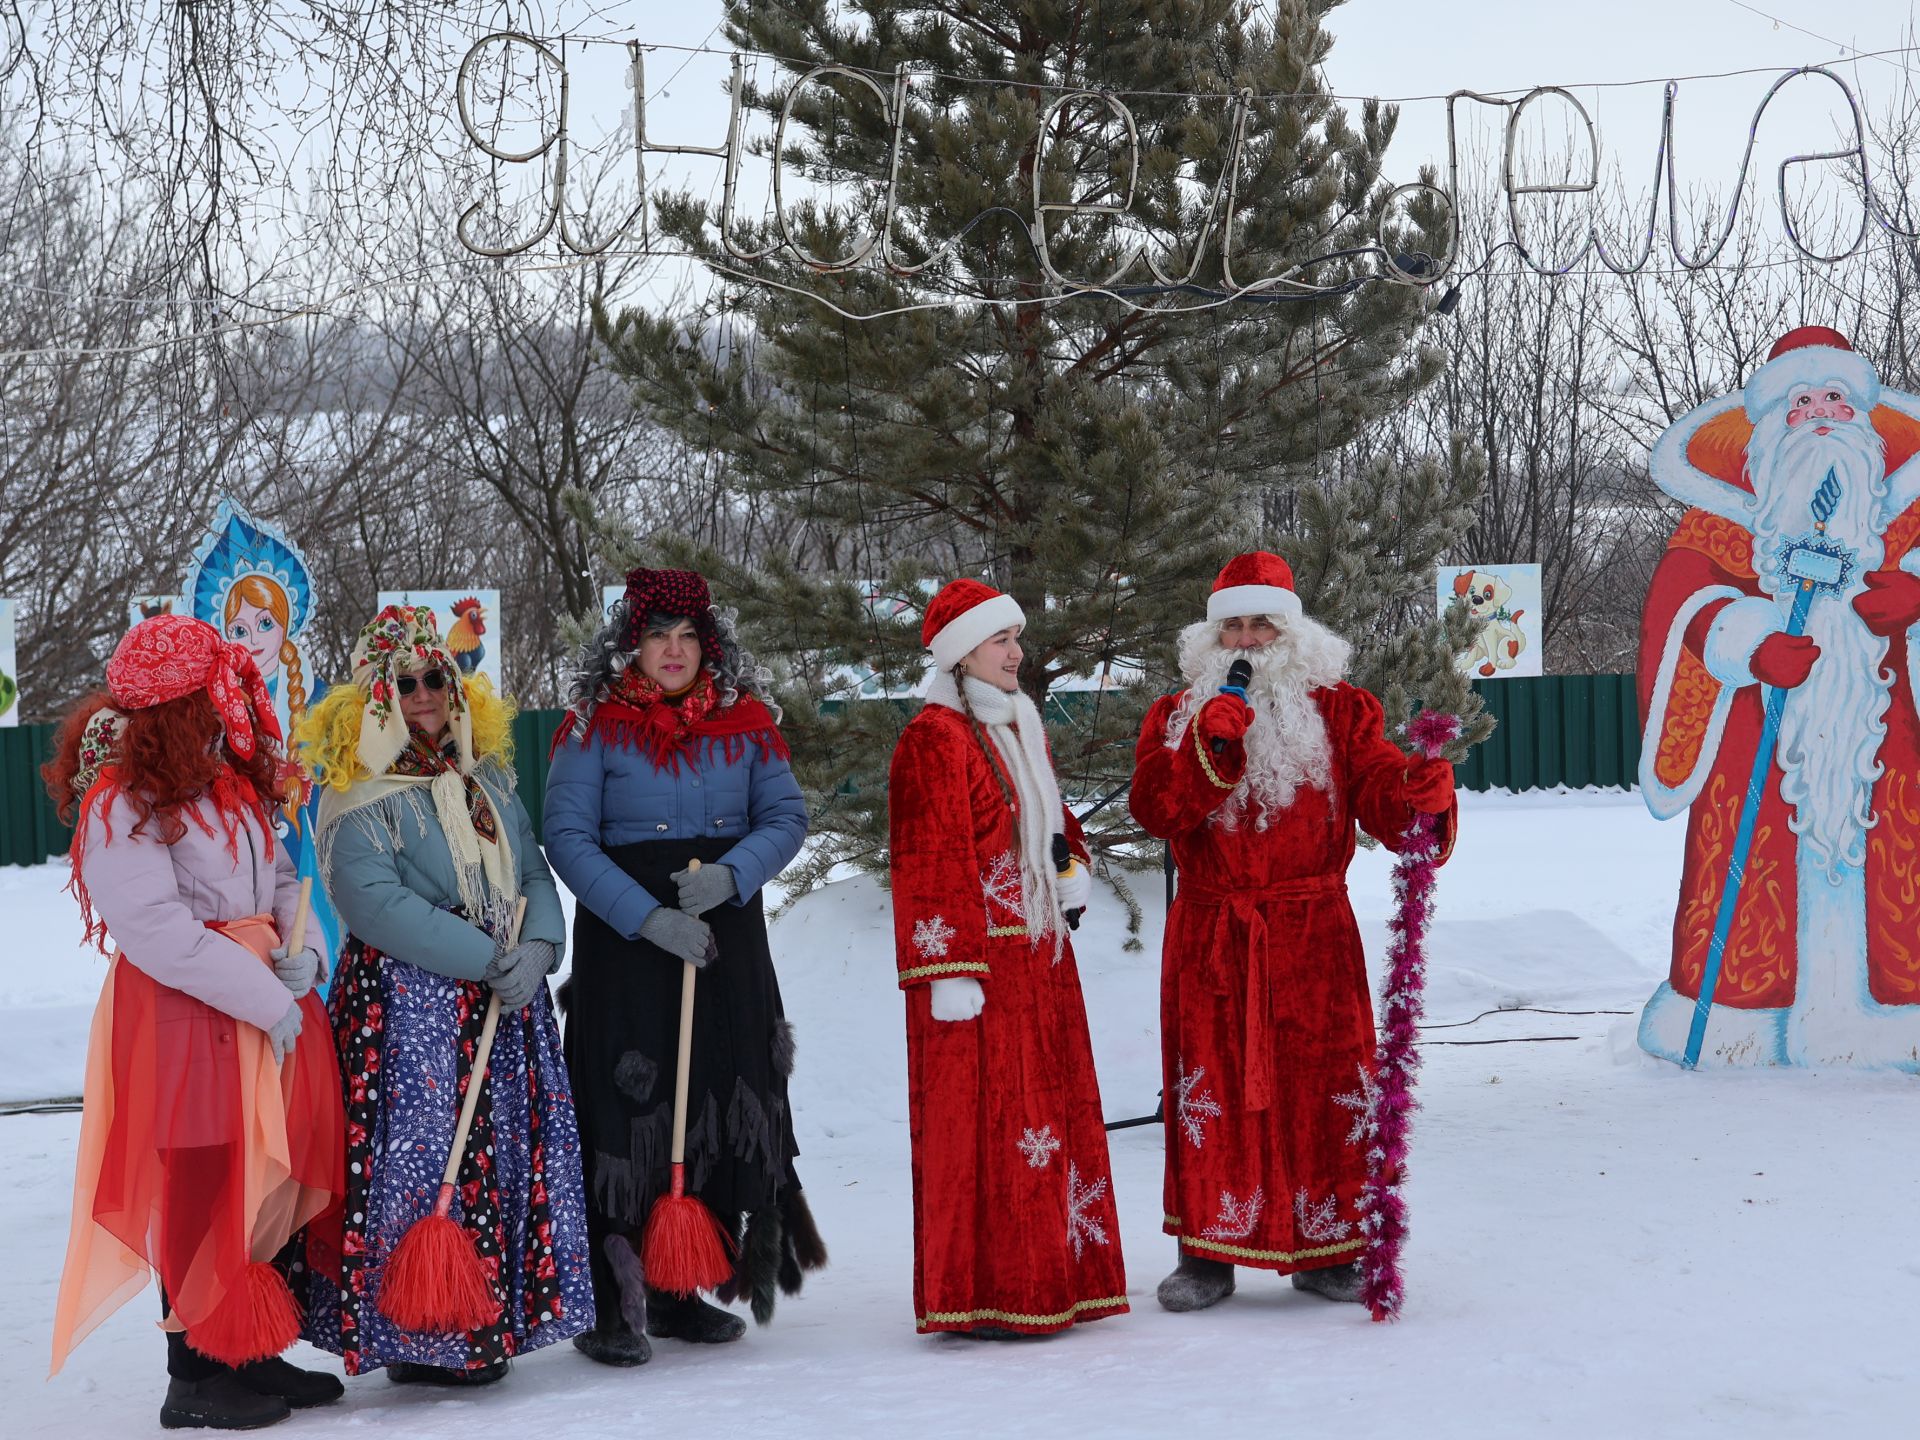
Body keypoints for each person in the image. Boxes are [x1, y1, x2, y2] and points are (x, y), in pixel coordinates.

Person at [1130, 552, 1455, 1313]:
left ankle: (1329, 1249)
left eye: (1261, 623)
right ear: (1210, 640)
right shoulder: (1175, 714)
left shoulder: (1345, 711)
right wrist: (1206, 747)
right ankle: (1208, 1255)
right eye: (1231, 626)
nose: (1246, 640)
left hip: (1314, 933)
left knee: (1325, 1086)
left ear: (1294, 631)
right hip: (1215, 934)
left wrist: (1417, 792)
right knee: (1214, 1089)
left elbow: (1380, 794)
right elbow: (1157, 810)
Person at [44, 615, 346, 1430]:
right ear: (175, 706)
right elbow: (159, 934)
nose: (231, 704)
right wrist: (268, 998)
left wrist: (304, 952)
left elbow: (285, 876)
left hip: (258, 1000)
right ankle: (196, 1372)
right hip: (187, 1015)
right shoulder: (122, 804)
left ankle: (250, 1345)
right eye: (214, 692)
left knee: (262, 1177)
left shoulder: (227, 781)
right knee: (203, 1177)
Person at [293, 604, 590, 1385]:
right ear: (373, 698)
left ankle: (484, 1323)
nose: (425, 693)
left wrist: (540, 948)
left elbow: (530, 869)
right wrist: (486, 956)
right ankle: (417, 1335)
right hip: (409, 1013)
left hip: (501, 998)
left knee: (497, 1159)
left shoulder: (486, 775)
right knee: (417, 1165)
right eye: (406, 682)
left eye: (437, 678)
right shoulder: (355, 791)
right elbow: (373, 902)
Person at [546, 568, 823, 1368]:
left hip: (725, 938)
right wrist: (647, 917)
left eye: (688, 637)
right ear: (630, 645)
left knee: (712, 1096)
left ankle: (678, 1286)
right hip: (629, 948)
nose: (674, 652)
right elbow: (567, 837)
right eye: (657, 637)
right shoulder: (590, 728)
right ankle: (611, 1300)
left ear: (710, 644)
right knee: (630, 1108)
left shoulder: (747, 724)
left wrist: (732, 876)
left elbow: (787, 815)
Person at [1636, 326, 1920, 1066]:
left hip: (1887, 754)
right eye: (1800, 403)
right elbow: (1680, 607)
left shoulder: (1907, 522)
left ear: (1865, 420)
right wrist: (1747, 638)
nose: (1821, 414)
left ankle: (1900, 1013)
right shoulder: (1720, 527)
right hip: (1755, 761)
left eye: (1836, 399)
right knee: (1752, 867)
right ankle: (1742, 1020)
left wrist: (1917, 599)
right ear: (1766, 430)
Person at [886, 578, 1126, 1339]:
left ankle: (1053, 1274)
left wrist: (1072, 867)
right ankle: (989, 1289)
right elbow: (929, 858)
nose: (1017, 654)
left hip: (1039, 962)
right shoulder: (934, 738)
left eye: (1017, 639)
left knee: (1045, 1117)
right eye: (1001, 640)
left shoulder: (1018, 724)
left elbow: (1052, 821)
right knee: (988, 1124)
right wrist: (948, 967)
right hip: (977, 973)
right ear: (961, 656)